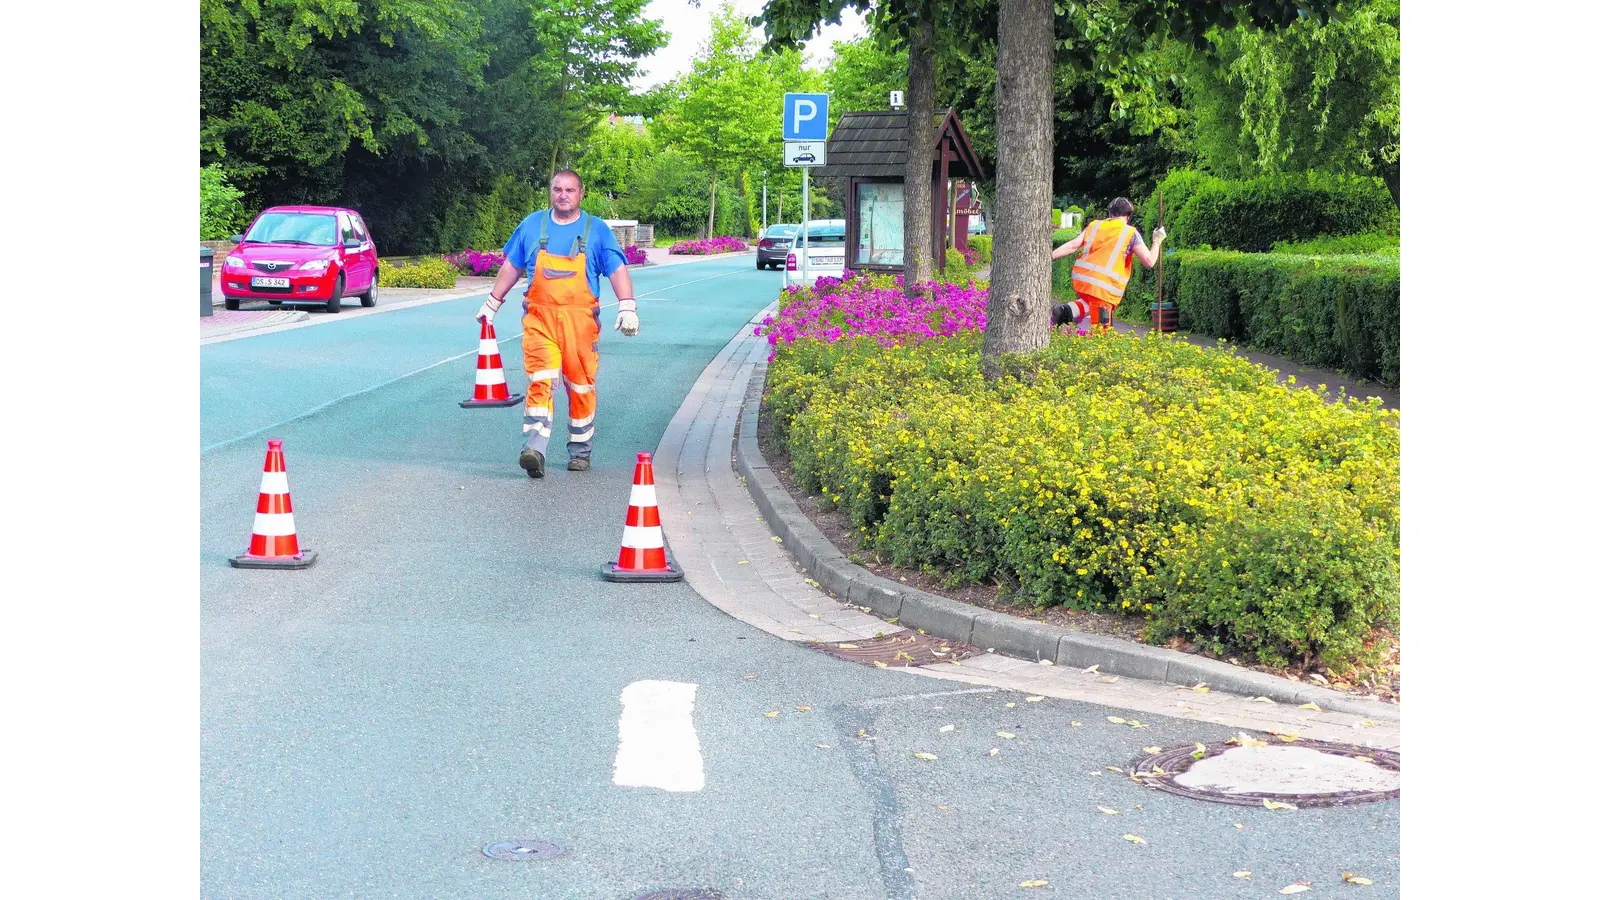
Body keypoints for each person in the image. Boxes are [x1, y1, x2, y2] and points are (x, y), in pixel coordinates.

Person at [476, 170, 639, 477]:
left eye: (570, 190)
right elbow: (512, 266)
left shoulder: (596, 230)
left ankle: (580, 451)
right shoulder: (532, 225)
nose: (563, 195)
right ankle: (534, 449)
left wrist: (627, 305)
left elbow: (616, 269)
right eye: (557, 189)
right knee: (541, 379)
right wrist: (492, 302)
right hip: (540, 319)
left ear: (581, 193)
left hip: (581, 323)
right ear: (550, 191)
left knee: (580, 386)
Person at [1049, 197, 1166, 334]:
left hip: (1083, 282)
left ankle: (1065, 311)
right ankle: (1092, 343)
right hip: (1103, 287)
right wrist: (1157, 241)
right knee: (1101, 336)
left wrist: (1049, 256)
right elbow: (1149, 261)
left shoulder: (1094, 226)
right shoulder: (1130, 233)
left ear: (1109, 213)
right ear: (1128, 217)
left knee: (1090, 303)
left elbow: (1073, 245)